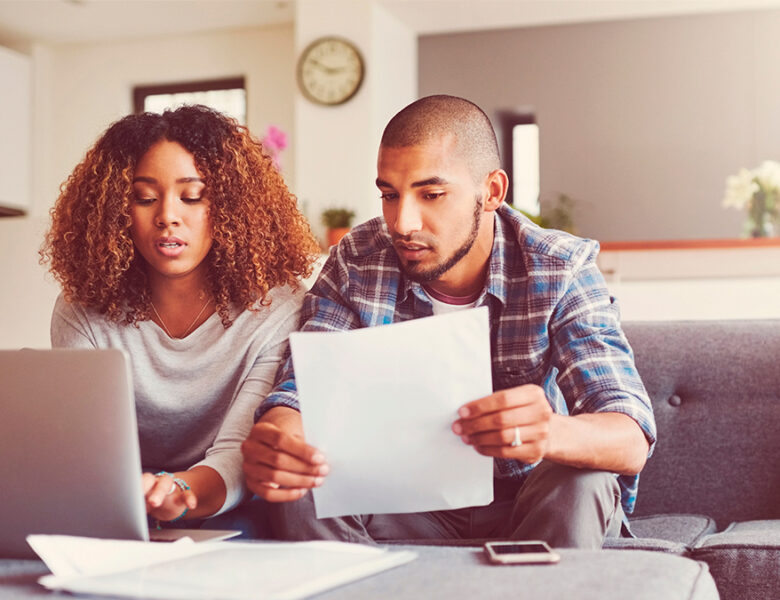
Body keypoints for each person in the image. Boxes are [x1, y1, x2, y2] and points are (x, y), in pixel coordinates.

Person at [241, 95, 657, 549]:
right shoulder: (357, 261)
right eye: (389, 195)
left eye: (432, 194)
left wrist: (551, 431)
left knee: (584, 480)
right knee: (302, 483)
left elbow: (629, 436)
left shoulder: (558, 268)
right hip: (405, 503)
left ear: (492, 192)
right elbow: (300, 391)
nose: (403, 222)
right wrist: (283, 436)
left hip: (528, 503)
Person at [41, 105, 320, 528]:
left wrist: (180, 492)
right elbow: (82, 447)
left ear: (229, 207)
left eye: (193, 196)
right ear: (116, 210)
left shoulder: (275, 307)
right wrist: (133, 495)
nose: (168, 215)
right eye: (144, 198)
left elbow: (239, 453)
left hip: (226, 504)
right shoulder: (83, 308)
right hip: (118, 502)